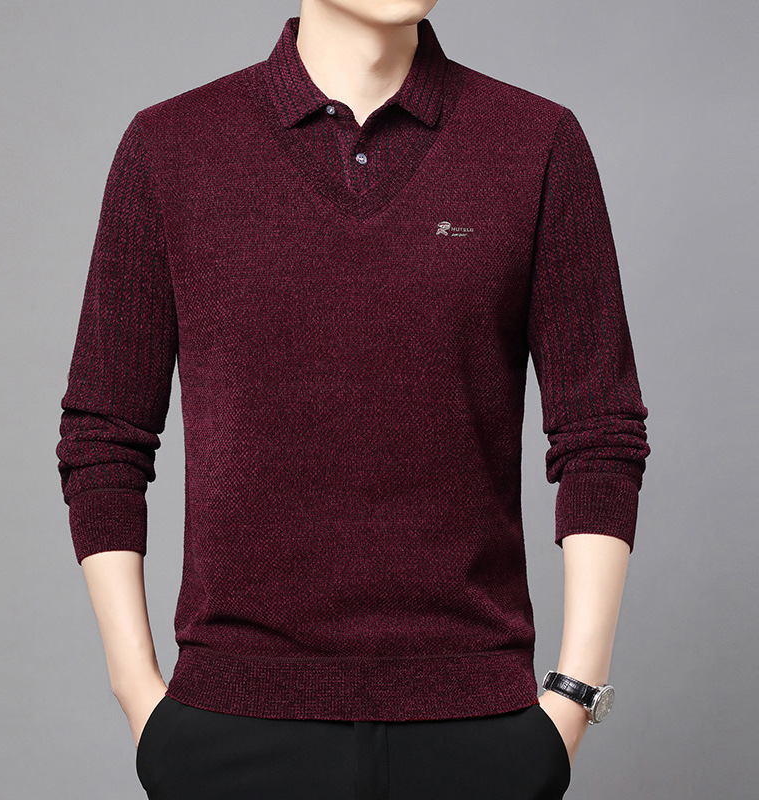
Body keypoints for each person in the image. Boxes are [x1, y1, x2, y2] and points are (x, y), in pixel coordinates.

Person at [56, 1, 651, 798]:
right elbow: (103, 434)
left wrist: (572, 700)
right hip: (231, 729)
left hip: (479, 731)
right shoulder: (170, 147)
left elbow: (600, 433)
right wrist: (140, 695)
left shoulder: (536, 142)